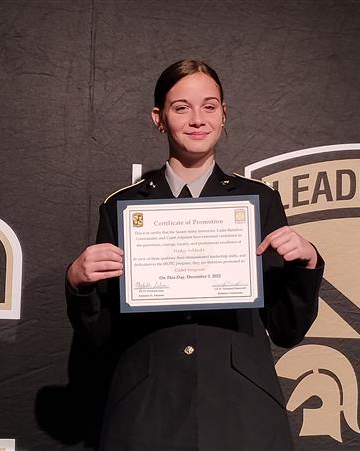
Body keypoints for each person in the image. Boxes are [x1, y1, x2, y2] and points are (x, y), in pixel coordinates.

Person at [66, 59, 324, 451]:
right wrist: (77, 283)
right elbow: (100, 336)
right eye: (181, 107)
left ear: (224, 115)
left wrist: (307, 264)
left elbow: (287, 329)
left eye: (209, 106)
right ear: (158, 118)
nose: (197, 119)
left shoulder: (259, 202)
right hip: (146, 409)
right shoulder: (123, 207)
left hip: (241, 410)